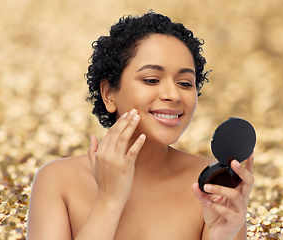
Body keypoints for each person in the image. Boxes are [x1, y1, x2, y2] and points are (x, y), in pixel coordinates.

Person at [26, 10, 254, 240]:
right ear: (108, 94)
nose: (173, 94)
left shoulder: (213, 190)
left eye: (185, 83)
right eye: (152, 80)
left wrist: (222, 236)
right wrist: (109, 201)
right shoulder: (56, 181)